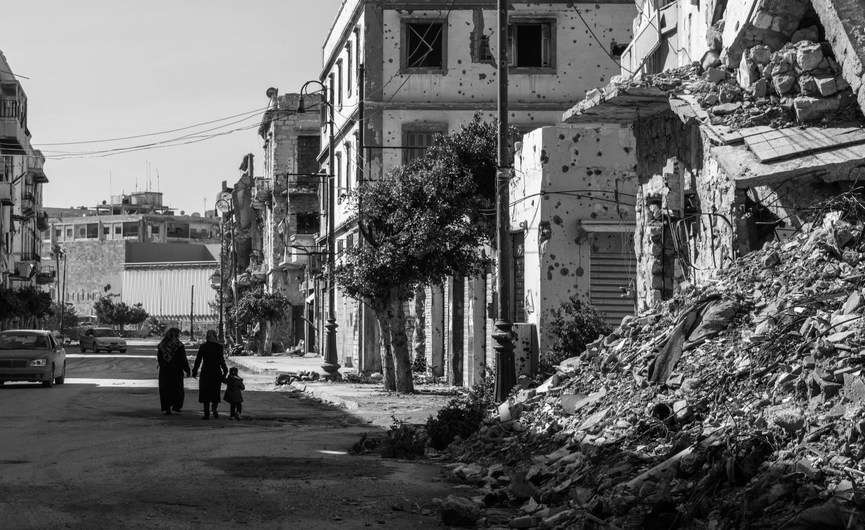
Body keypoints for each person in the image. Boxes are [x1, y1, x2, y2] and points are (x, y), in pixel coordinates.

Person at [192, 329, 228, 419]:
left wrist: (194, 371)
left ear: (207, 337)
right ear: (215, 337)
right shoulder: (219, 347)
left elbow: (198, 360)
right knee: (215, 392)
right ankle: (214, 410)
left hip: (206, 372)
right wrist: (225, 370)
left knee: (205, 392)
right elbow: (221, 360)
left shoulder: (203, 346)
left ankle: (206, 413)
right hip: (216, 372)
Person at [157, 327, 190, 415]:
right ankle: (176, 407)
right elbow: (183, 359)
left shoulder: (162, 345)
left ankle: (166, 408)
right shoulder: (179, 345)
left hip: (164, 371)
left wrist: (163, 365)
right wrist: (187, 369)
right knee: (177, 389)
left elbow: (159, 358)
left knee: (165, 389)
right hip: (176, 371)